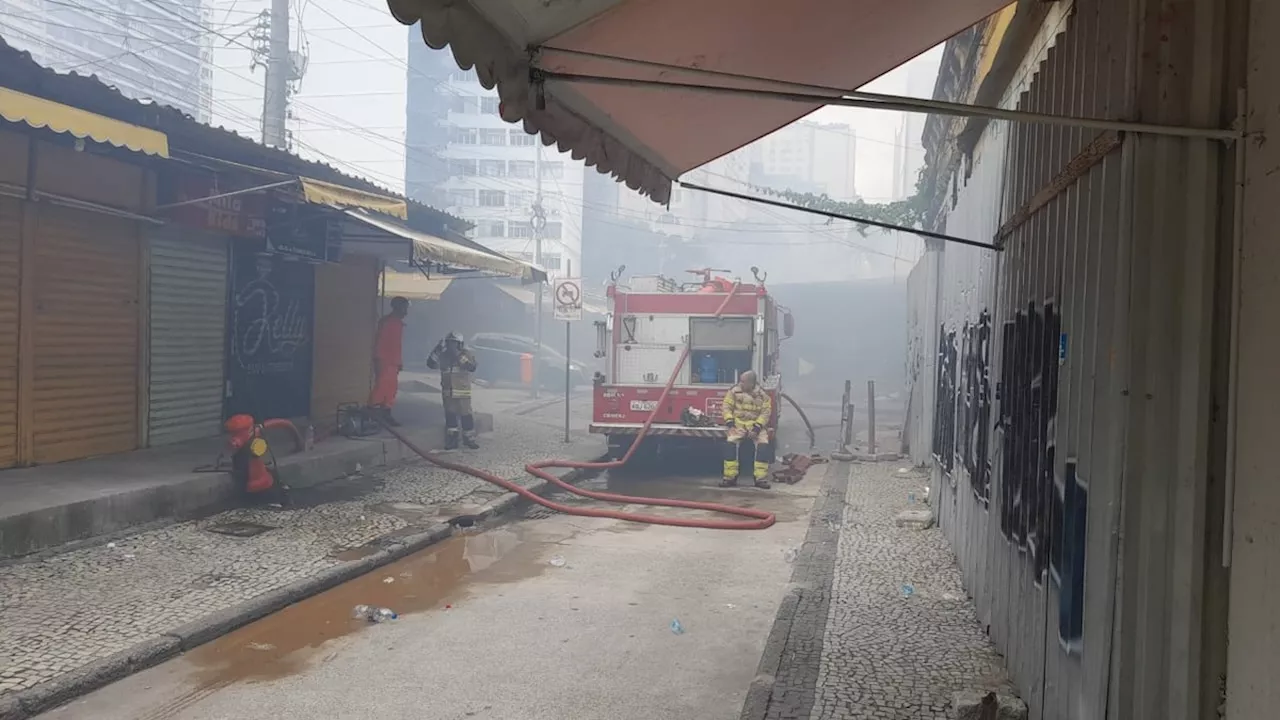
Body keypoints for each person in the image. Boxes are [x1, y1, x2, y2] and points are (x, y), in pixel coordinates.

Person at [720, 370, 774, 488]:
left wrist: (756, 428)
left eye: (743, 381)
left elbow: (765, 413)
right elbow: (726, 406)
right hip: (738, 425)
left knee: (763, 446)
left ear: (751, 383)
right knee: (730, 444)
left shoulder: (763, 396)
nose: (740, 383)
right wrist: (730, 422)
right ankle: (730, 478)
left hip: (756, 427)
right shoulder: (733, 392)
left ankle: (760, 479)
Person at [428, 332, 479, 449]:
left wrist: (457, 354)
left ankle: (469, 439)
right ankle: (452, 440)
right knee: (450, 416)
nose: (451, 345)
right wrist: (437, 349)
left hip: (462, 391)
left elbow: (471, 367)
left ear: (459, 344)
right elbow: (430, 364)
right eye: (449, 343)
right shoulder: (443, 355)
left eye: (454, 343)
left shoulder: (465, 354)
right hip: (448, 391)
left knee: (466, 415)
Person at [369, 296, 409, 426]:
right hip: (384, 361)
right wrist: (379, 360)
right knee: (382, 387)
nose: (406, 311)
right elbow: (380, 343)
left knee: (391, 389)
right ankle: (372, 413)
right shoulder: (387, 322)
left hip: (392, 362)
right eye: (405, 308)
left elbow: (396, 345)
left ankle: (385, 413)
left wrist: (399, 362)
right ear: (398, 307)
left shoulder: (397, 323)